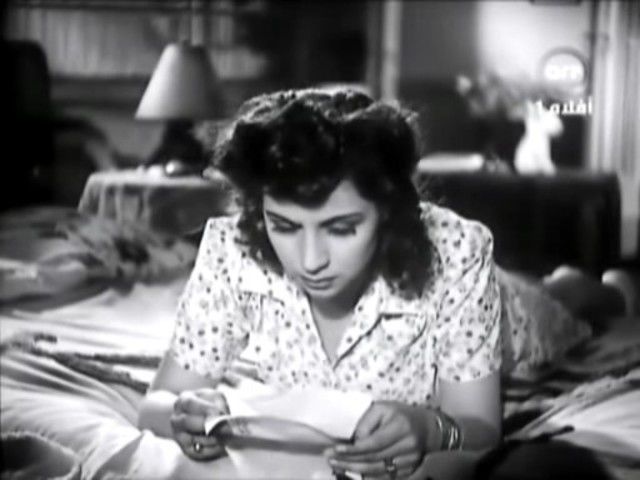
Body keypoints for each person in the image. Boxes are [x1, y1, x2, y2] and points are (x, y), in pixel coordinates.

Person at [137, 88, 629, 478]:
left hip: (514, 316)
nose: (310, 261)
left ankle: (604, 285)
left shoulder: (455, 252)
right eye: (284, 226)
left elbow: (480, 429)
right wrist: (182, 415)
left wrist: (430, 429)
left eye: (341, 228)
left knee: (567, 307)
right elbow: (156, 405)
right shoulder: (232, 249)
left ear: (388, 212)